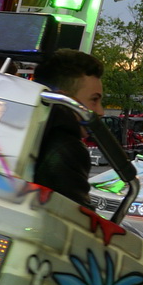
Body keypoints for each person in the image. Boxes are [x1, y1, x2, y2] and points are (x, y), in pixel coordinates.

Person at [31, 48, 105, 208]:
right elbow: (80, 223)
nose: (100, 111)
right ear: (63, 100)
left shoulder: (31, 133)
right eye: (94, 100)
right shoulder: (68, 149)